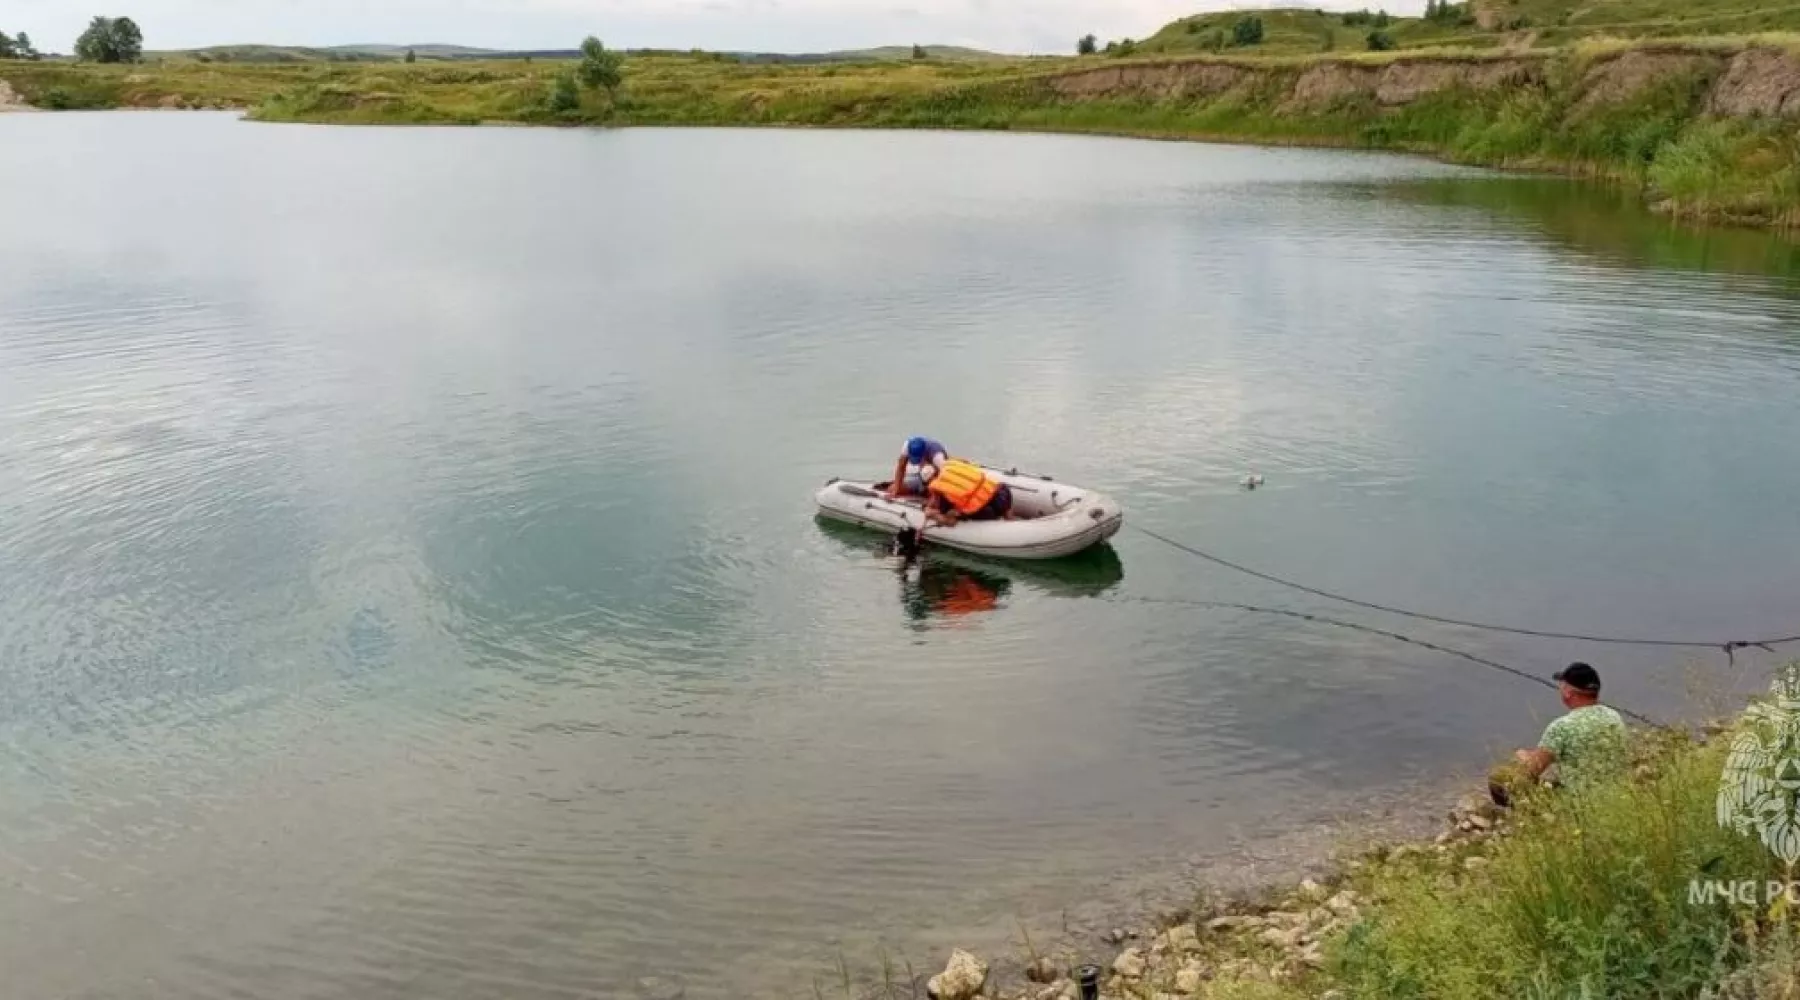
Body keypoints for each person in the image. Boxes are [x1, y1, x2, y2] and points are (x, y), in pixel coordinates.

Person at [1502, 662, 1628, 800]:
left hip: (1578, 802)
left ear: (1568, 692)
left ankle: (1526, 818)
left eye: (1562, 686)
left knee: (1500, 781)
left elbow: (1531, 771)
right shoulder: (1614, 717)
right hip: (1615, 798)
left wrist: (1522, 756)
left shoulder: (1562, 727)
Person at [922, 459, 1014, 525]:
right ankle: (1010, 521)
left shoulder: (941, 489)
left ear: (930, 481)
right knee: (1000, 502)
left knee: (952, 513)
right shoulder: (950, 465)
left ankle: (999, 526)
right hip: (1003, 492)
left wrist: (932, 514)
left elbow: (951, 522)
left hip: (987, 511)